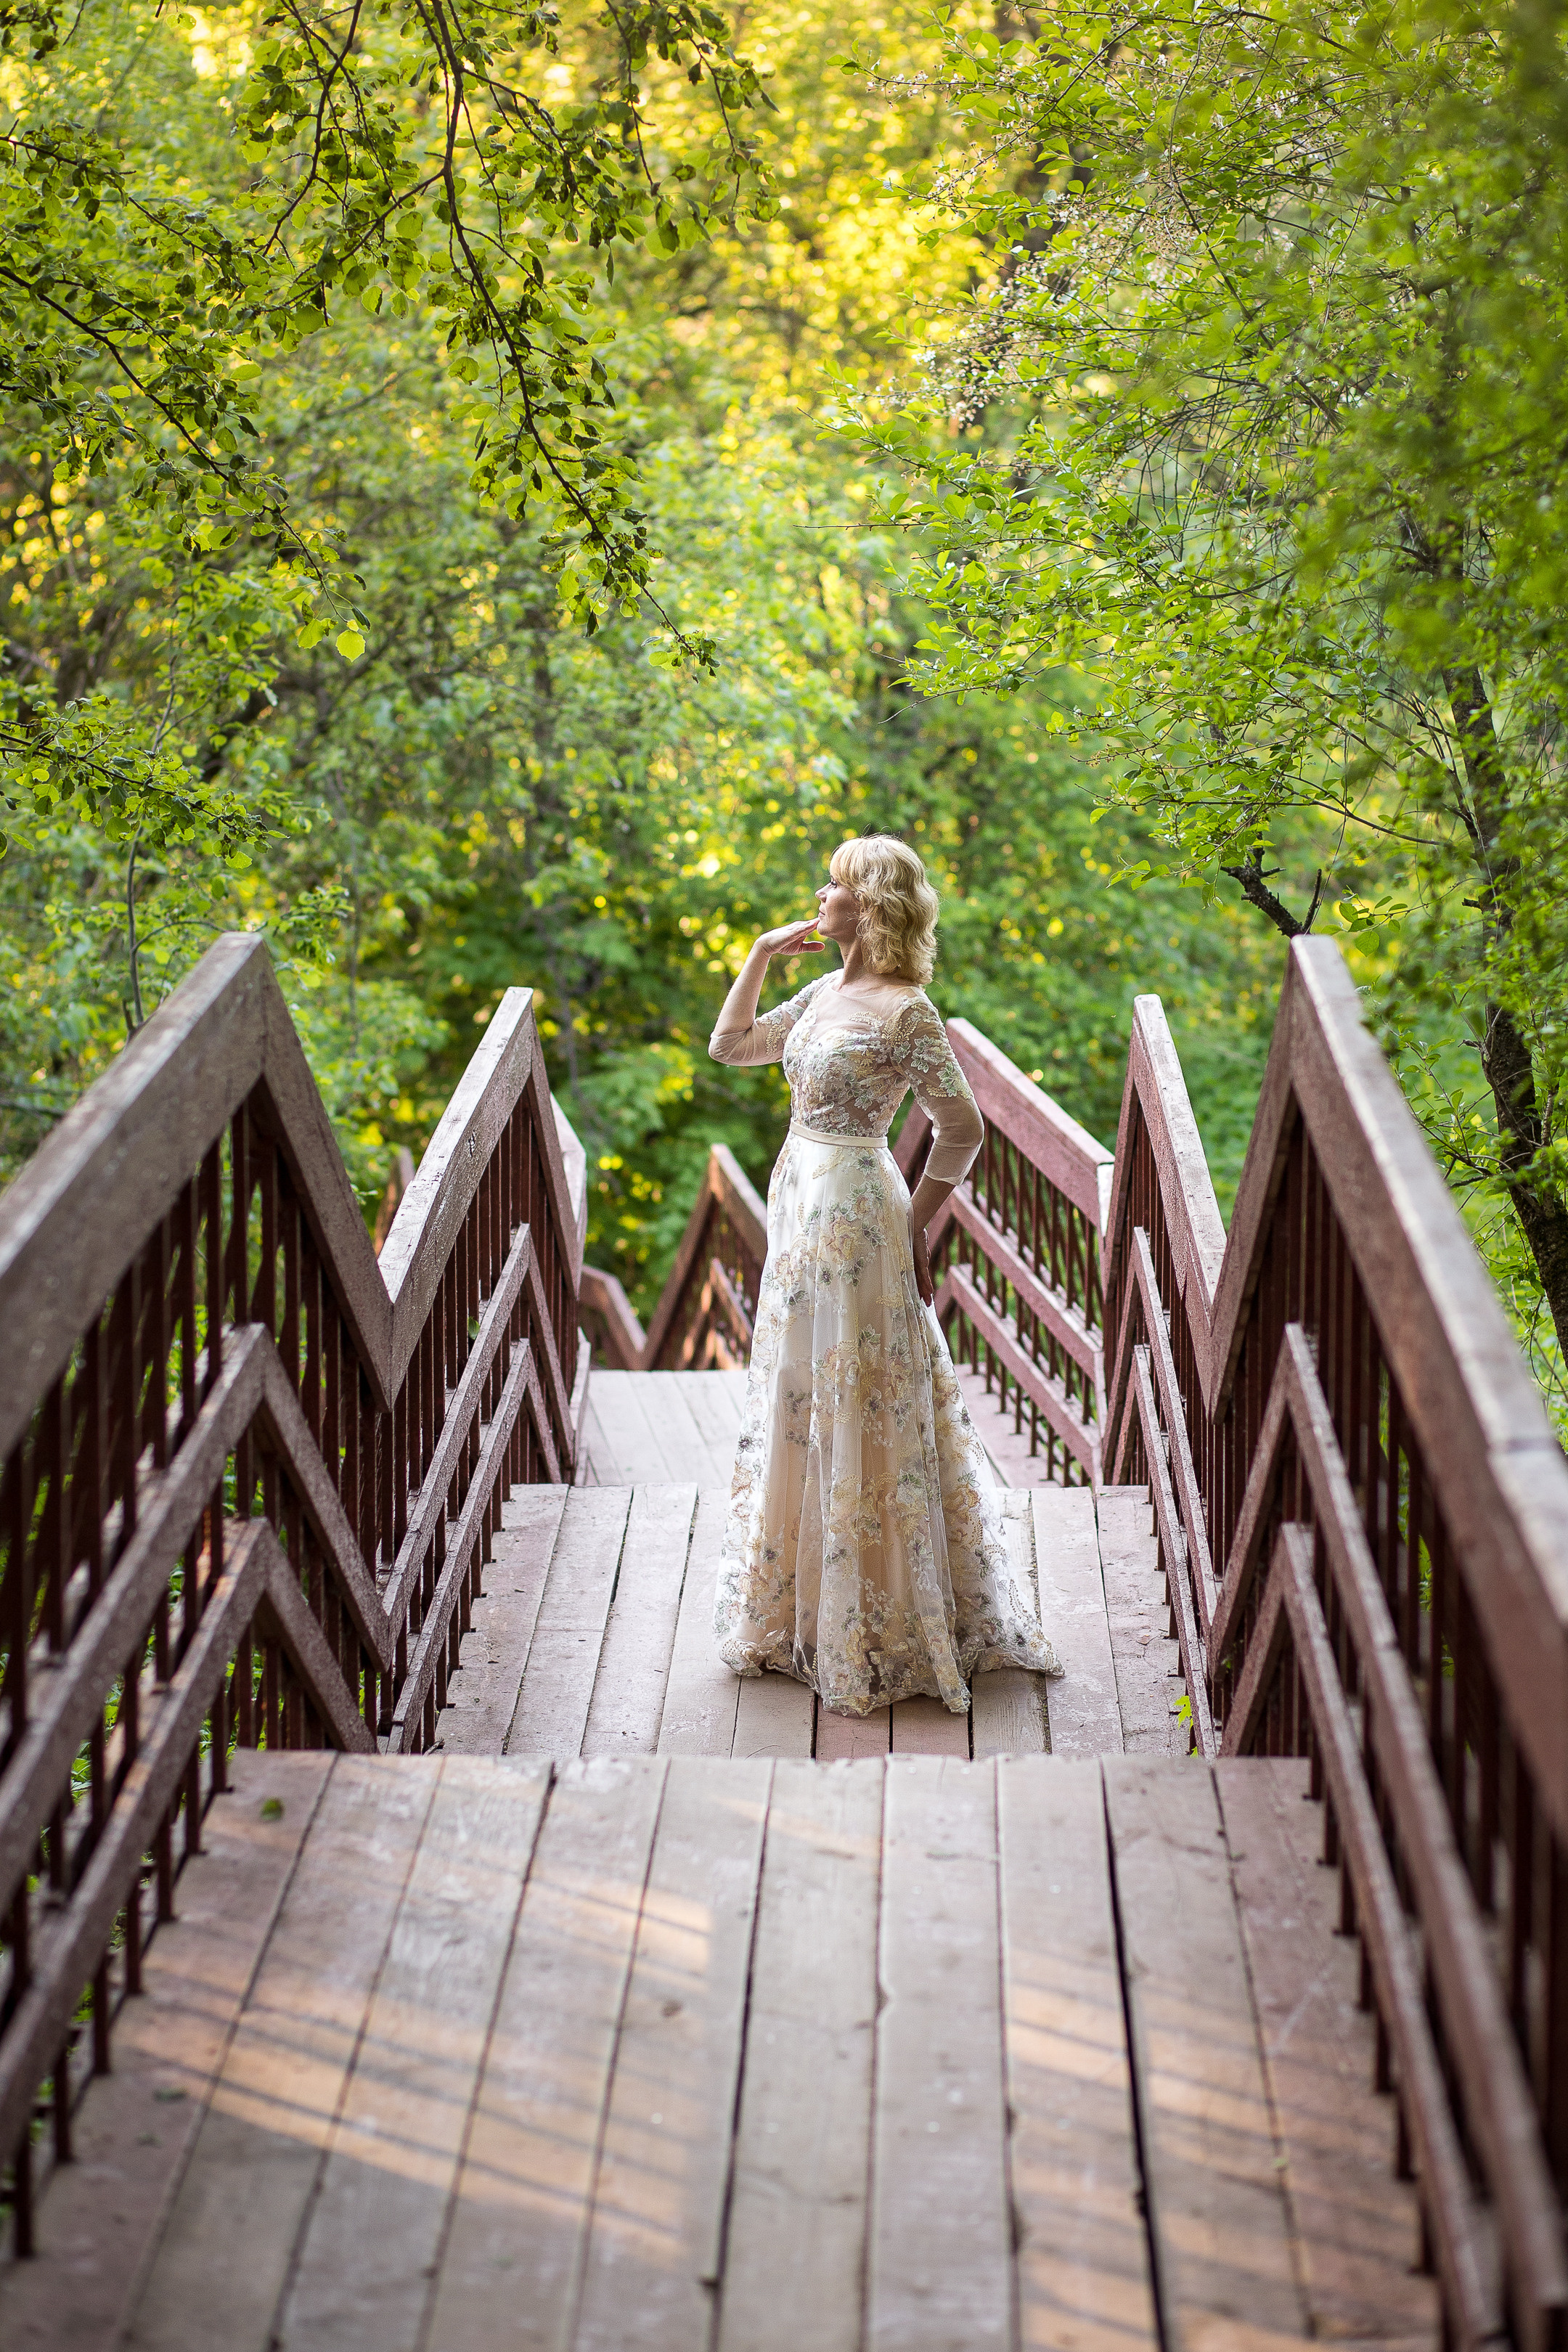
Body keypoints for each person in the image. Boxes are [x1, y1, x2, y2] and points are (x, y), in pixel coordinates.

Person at [709, 833, 1060, 1718]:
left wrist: (919, 1220)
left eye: (833, 886)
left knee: (862, 1392)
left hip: (861, 1209)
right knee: (803, 1391)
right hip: (801, 1196)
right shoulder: (826, 989)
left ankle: (883, 1616)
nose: (818, 897)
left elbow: (963, 1129)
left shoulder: (908, 1012)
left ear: (867, 906)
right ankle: (799, 1610)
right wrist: (755, 955)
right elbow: (733, 1047)